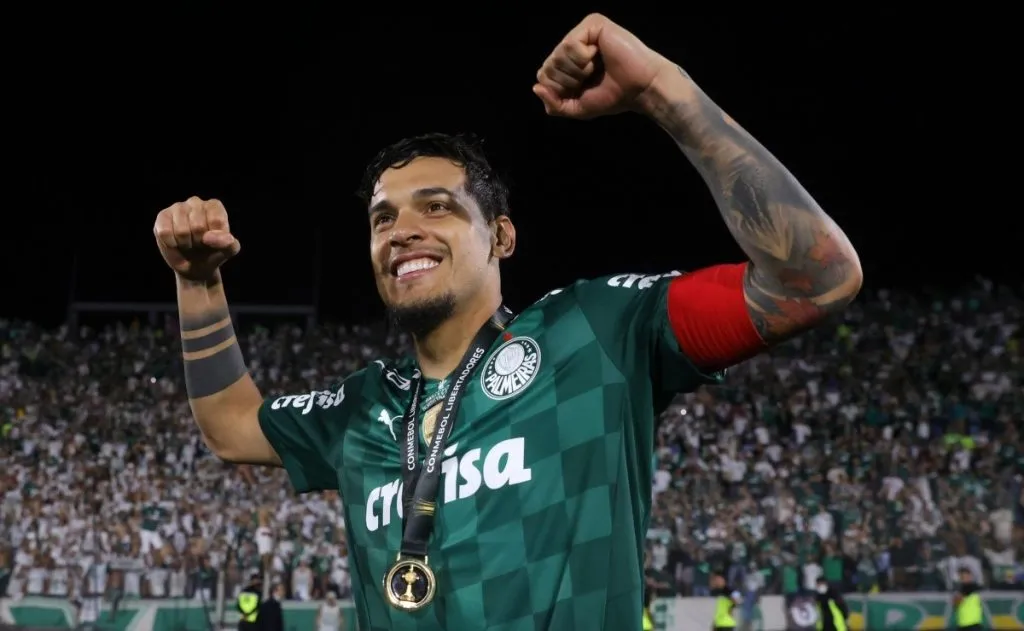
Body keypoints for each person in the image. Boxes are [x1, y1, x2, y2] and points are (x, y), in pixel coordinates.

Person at [152, 13, 862, 631]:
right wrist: (198, 282)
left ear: (501, 236)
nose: (402, 231)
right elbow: (229, 424)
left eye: (437, 206)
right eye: (382, 218)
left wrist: (661, 92)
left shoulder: (592, 332)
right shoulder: (361, 408)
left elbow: (816, 277)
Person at [952, 566, 984, 630]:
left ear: (970, 576)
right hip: (962, 623)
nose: (964, 579)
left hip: (973, 623)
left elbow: (962, 596)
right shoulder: (959, 589)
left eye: (966, 577)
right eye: (962, 577)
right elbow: (955, 604)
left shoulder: (973, 587)